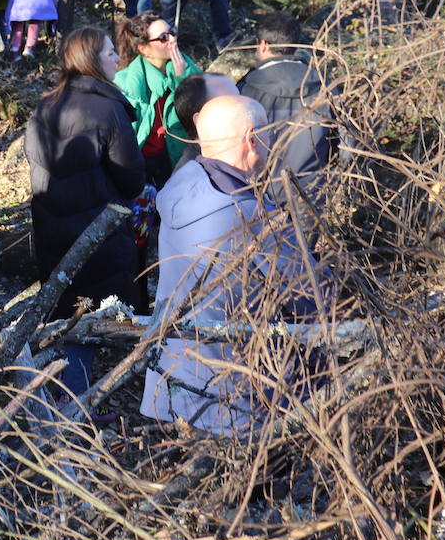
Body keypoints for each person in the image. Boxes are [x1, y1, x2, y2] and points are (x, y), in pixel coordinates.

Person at [140, 96, 321, 436]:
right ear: (252, 139)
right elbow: (312, 297)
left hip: (173, 384)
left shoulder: (183, 186)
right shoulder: (250, 216)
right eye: (269, 133)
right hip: (235, 399)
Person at [24, 28, 145, 399]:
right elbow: (132, 178)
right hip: (97, 235)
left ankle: (60, 396)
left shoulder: (45, 106)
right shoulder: (108, 108)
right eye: (110, 52)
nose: (117, 58)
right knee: (87, 325)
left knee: (67, 317)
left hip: (52, 232)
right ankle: (72, 414)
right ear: (92, 59)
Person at [237, 11, 335, 199]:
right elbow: (345, 145)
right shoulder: (325, 86)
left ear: (263, 44)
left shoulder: (245, 92)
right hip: (313, 196)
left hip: (262, 199)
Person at [113, 12, 202, 187]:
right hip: (143, 161)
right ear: (144, 49)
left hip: (179, 154)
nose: (172, 40)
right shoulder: (128, 82)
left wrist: (182, 80)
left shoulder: (183, 65)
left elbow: (202, 105)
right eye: (163, 38)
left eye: (171, 33)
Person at [172, 72, 241, 170]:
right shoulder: (193, 178)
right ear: (200, 120)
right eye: (231, 104)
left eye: (241, 98)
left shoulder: (250, 149)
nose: (245, 106)